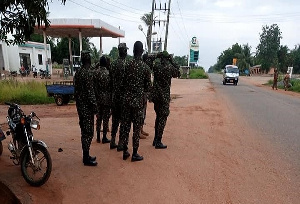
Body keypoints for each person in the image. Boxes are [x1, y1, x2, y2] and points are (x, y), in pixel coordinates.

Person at [119, 41, 151, 162]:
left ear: (133, 51)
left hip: (126, 101)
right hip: (138, 103)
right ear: (141, 51)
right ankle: (135, 153)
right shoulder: (145, 68)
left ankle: (125, 151)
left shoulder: (126, 65)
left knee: (126, 127)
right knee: (136, 128)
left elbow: (122, 84)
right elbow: (148, 87)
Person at [150, 51, 180, 149]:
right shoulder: (170, 67)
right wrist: (172, 60)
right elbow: (178, 72)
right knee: (163, 118)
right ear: (168, 58)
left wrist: (155, 56)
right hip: (164, 97)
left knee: (158, 117)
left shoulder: (157, 66)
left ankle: (155, 139)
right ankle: (158, 141)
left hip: (156, 96)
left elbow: (148, 62)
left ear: (161, 58)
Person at [74, 50, 98, 166]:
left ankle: (86, 155)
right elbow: (90, 93)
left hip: (80, 106)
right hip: (87, 108)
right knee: (88, 132)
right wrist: (95, 108)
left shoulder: (78, 73)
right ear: (89, 59)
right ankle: (86, 157)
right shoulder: (88, 73)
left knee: (84, 131)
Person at [110, 43, 128, 150]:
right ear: (124, 51)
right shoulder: (126, 64)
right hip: (123, 97)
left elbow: (111, 80)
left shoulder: (113, 64)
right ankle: (120, 143)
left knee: (115, 120)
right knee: (124, 120)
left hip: (114, 96)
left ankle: (112, 140)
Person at [94, 56, 112, 144]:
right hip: (106, 99)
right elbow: (110, 87)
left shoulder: (95, 73)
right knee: (105, 119)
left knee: (98, 118)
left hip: (98, 99)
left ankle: (97, 136)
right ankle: (104, 137)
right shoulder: (108, 73)